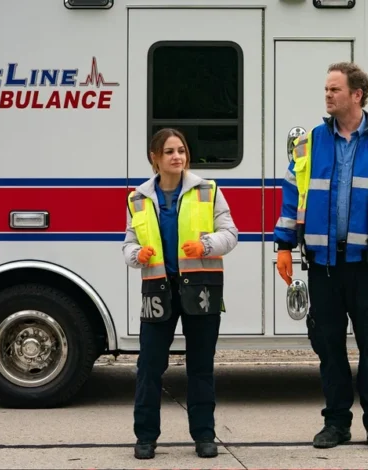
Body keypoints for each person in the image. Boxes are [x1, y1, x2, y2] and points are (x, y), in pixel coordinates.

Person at [274, 62, 368, 451]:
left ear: (357, 95)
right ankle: (336, 424)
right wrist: (284, 245)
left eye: (335, 89)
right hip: (323, 264)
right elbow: (292, 197)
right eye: (326, 89)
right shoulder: (310, 142)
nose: (327, 95)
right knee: (329, 348)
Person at [122, 128, 239, 459]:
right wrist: (137, 255)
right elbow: (128, 244)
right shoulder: (138, 198)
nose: (178, 157)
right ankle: (145, 437)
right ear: (154, 158)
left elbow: (231, 234)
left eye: (182, 151)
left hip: (201, 288)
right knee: (149, 366)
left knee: (200, 366)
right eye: (170, 152)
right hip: (157, 289)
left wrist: (205, 244)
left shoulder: (208, 191)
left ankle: (204, 436)